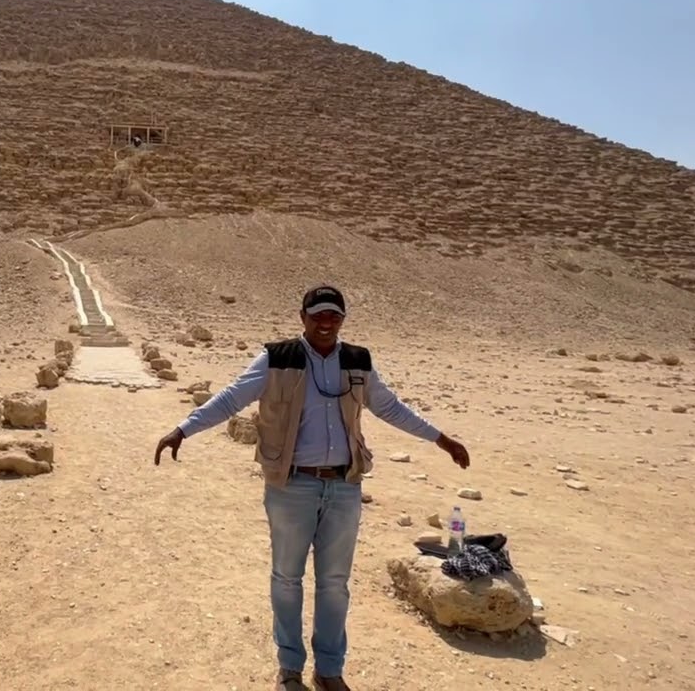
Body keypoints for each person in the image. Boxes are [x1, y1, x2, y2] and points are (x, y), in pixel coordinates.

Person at [153, 284, 470, 691]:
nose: (325, 323)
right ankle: (289, 669)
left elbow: (388, 406)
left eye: (334, 316)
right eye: (318, 314)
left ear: (342, 320)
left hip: (343, 486)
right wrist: (183, 429)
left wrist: (440, 438)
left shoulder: (358, 361)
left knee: (335, 583)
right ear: (302, 317)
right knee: (287, 578)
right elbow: (231, 399)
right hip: (292, 485)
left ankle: (329, 670)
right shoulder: (276, 358)